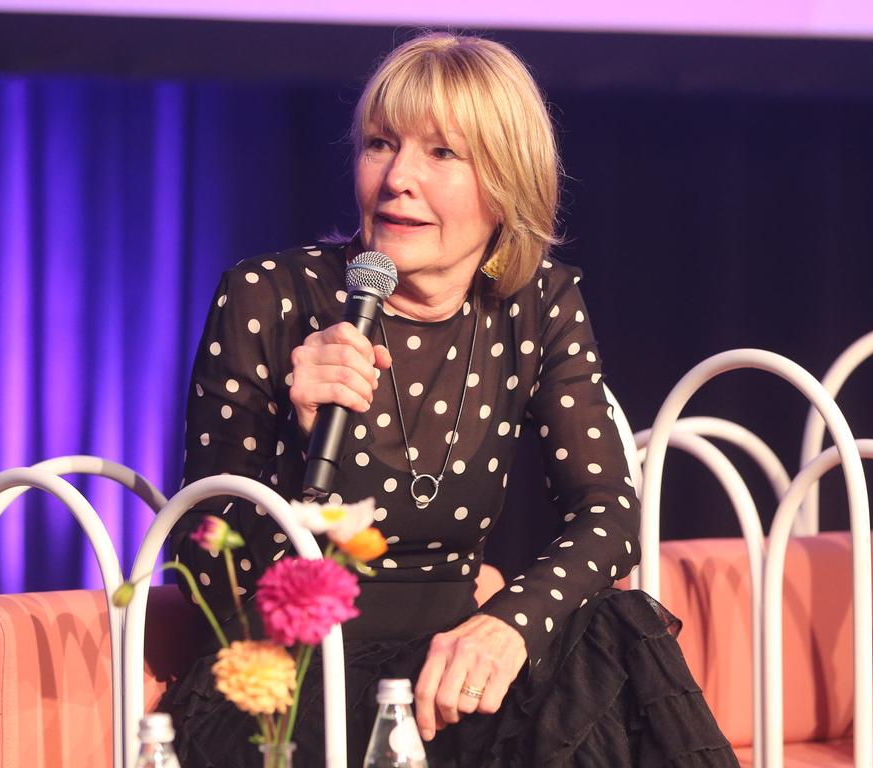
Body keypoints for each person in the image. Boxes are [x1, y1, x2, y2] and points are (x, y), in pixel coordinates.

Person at [160, 31, 738, 767]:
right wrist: (292, 435)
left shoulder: (538, 304)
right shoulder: (269, 297)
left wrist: (509, 625)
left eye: (442, 153)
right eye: (379, 144)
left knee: (614, 628)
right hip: (301, 673)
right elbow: (205, 566)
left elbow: (609, 511)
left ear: (506, 183)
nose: (398, 177)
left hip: (454, 670)